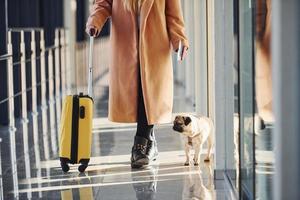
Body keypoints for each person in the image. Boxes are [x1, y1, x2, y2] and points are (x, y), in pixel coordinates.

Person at [86, 0, 189, 168]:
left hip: (155, 45)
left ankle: (140, 144)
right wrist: (95, 22)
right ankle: (149, 143)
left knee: (149, 94)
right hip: (126, 46)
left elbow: (173, 15)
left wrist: (180, 40)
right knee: (136, 92)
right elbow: (103, 4)